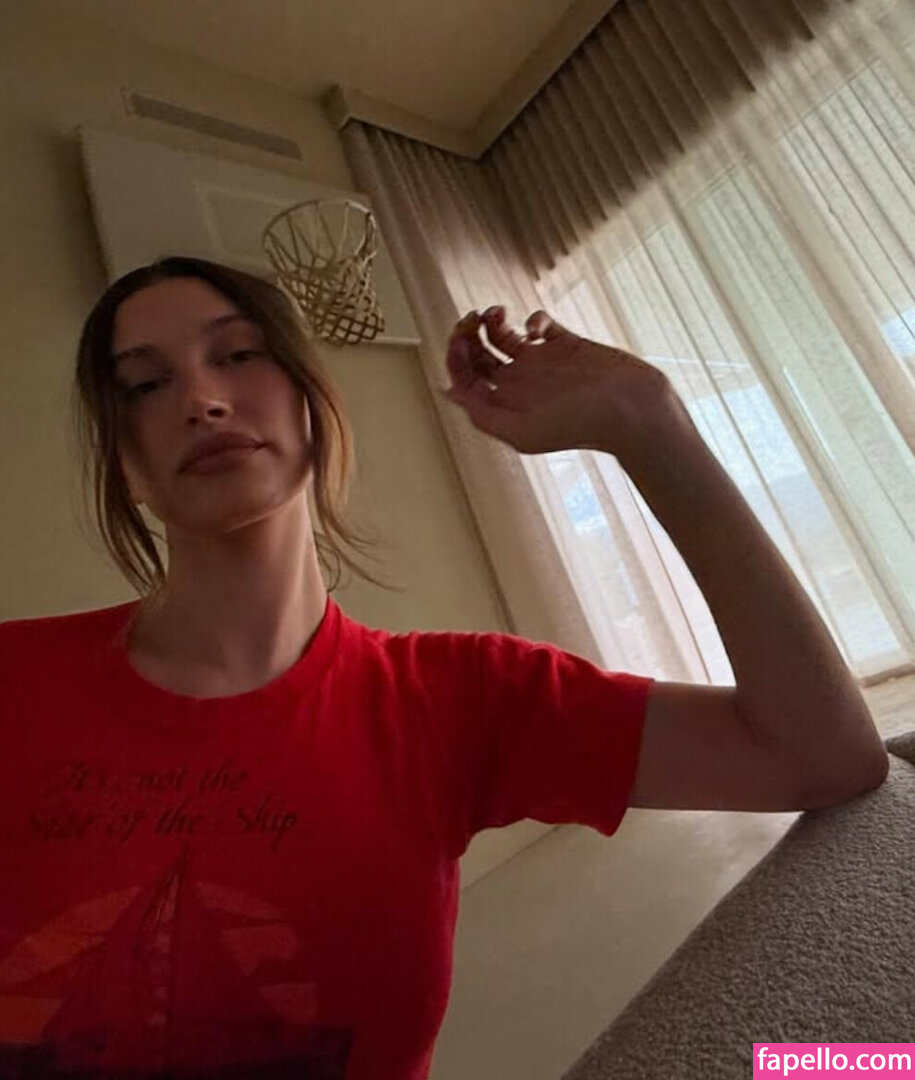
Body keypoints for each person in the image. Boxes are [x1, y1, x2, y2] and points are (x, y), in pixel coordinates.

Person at [0, 256, 887, 1080]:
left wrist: (650, 426)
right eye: (145, 385)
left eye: (237, 356)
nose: (200, 399)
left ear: (315, 405)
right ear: (126, 464)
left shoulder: (465, 700)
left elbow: (820, 755)